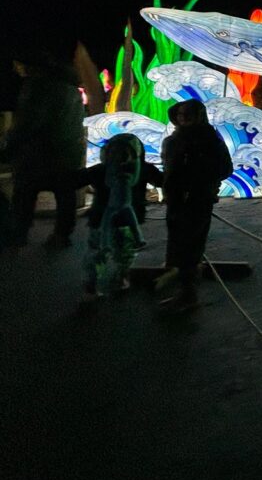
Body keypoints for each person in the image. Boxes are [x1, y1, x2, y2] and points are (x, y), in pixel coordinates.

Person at [1, 50, 85, 251]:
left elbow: (28, 122)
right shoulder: (71, 88)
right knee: (65, 194)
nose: (16, 69)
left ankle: (19, 234)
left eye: (18, 64)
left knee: (24, 194)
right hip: (68, 152)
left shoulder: (38, 86)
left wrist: (9, 148)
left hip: (39, 154)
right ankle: (62, 235)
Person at [159, 99, 233, 311]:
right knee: (179, 242)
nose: (183, 119)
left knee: (191, 245)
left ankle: (188, 293)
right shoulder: (174, 140)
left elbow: (225, 168)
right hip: (177, 200)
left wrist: (200, 179)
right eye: (180, 115)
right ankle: (182, 284)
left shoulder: (209, 141)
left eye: (188, 115)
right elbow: (169, 170)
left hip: (197, 199)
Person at [74, 133, 163, 301]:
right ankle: (121, 277)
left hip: (100, 218)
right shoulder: (143, 168)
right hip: (127, 219)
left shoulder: (101, 169)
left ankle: (92, 283)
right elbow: (162, 181)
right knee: (124, 252)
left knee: (98, 250)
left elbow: (76, 179)